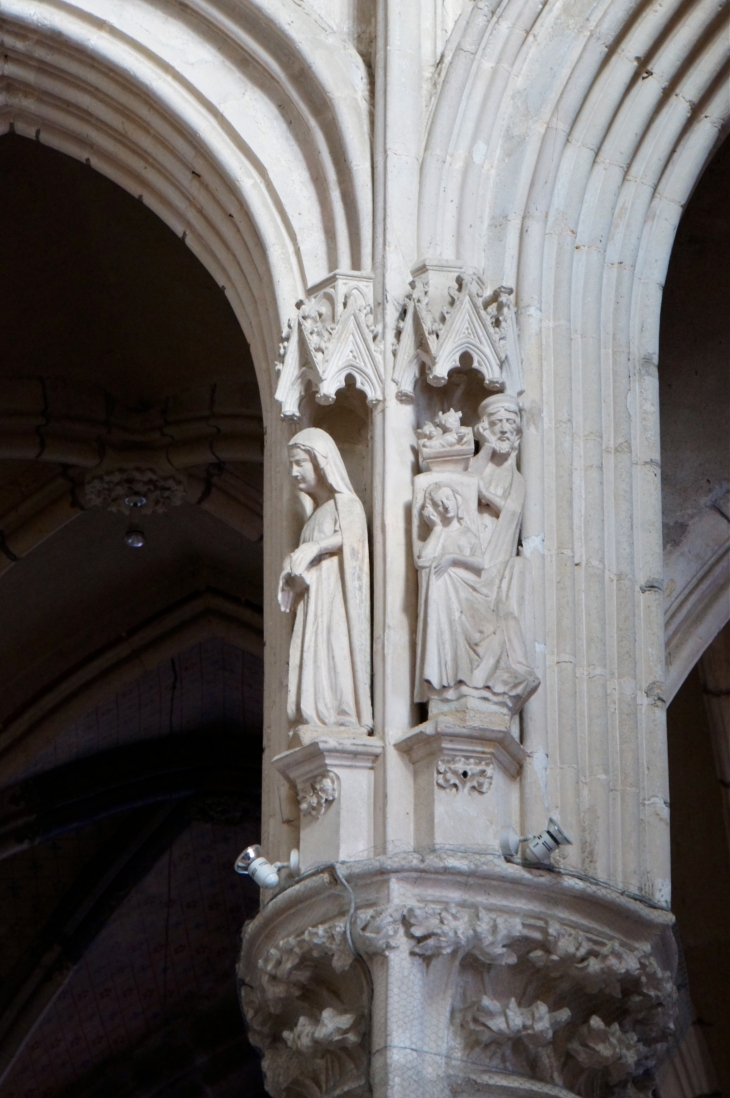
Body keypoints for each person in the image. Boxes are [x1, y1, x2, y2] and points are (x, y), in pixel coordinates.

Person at [278, 428, 372, 730]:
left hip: (335, 602)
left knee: (334, 651)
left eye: (300, 462)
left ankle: (340, 713)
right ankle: (315, 713)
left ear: (321, 463)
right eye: (292, 464)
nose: (294, 472)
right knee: (315, 654)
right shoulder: (314, 515)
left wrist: (315, 547)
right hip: (314, 602)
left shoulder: (346, 504)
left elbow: (353, 538)